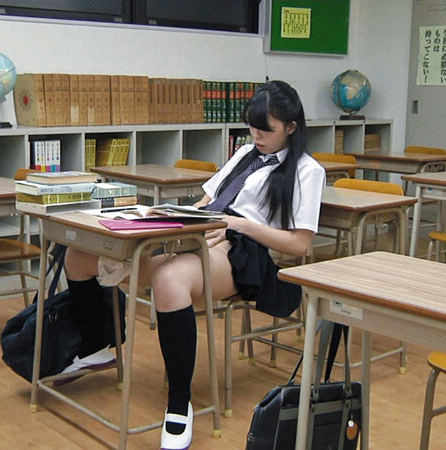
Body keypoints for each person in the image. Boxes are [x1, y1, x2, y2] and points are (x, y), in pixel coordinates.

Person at [60, 80, 325, 449]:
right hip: (200, 231)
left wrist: (238, 225)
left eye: (266, 130)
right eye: (252, 128)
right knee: (79, 256)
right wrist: (171, 217)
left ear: (292, 127)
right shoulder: (245, 153)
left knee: (170, 280)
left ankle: (178, 405)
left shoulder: (307, 171)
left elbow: (299, 244)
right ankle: (96, 345)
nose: (257, 136)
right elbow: (206, 201)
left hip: (242, 252)